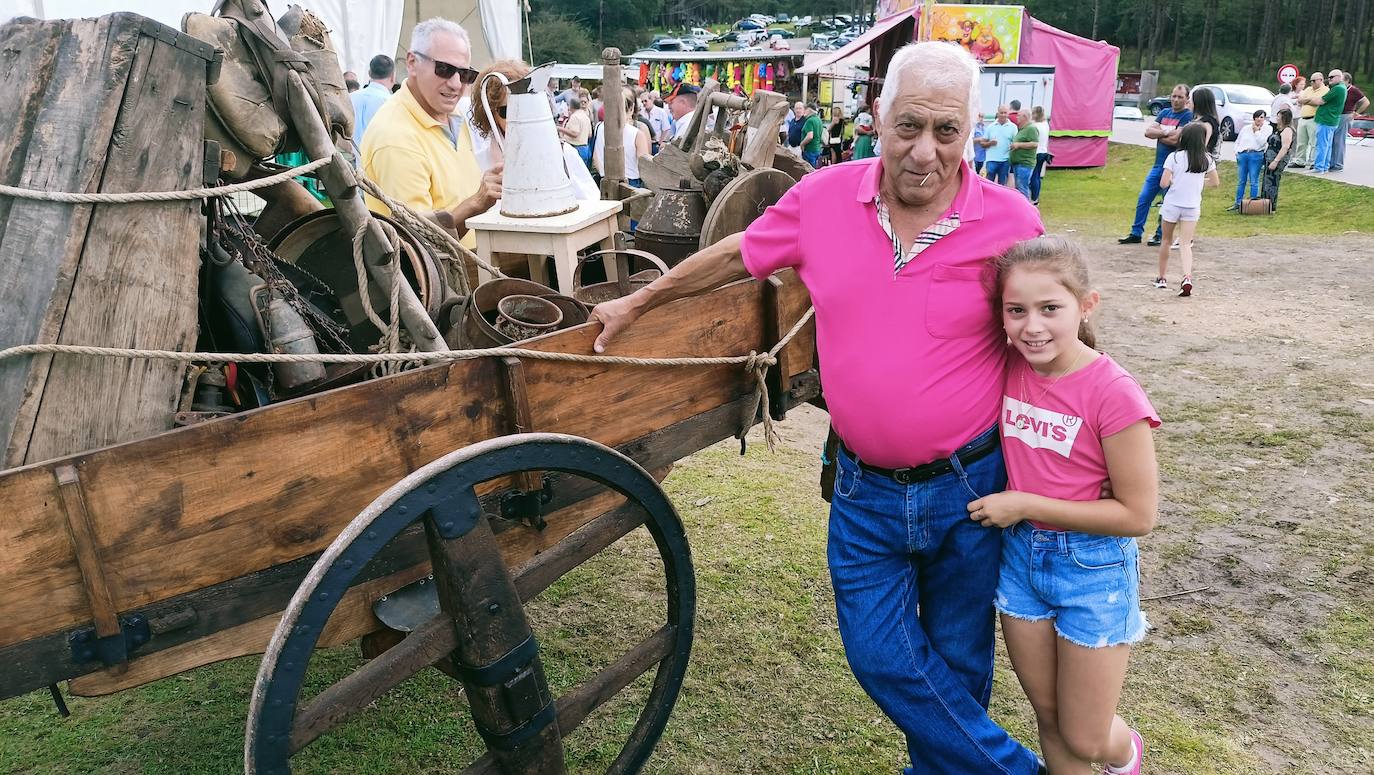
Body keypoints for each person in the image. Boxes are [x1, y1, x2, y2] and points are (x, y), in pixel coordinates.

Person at [589, 41, 1049, 775]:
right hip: (865, 490)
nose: (925, 151)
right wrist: (640, 301)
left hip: (970, 489)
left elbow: (1057, 336)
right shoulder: (824, 198)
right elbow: (738, 252)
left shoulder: (1012, 222)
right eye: (908, 126)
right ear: (878, 118)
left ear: (971, 131)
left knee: (959, 662)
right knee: (879, 654)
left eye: (947, 131)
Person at [974, 235, 1160, 775]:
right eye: (1016, 311)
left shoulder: (1113, 392)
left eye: (1050, 308)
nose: (1032, 326)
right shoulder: (1010, 366)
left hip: (1092, 568)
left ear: (1086, 306)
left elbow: (1138, 515)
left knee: (1085, 734)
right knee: (1051, 717)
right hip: (1021, 561)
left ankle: (1125, 754)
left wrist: (1025, 503)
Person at [360, 18, 500, 249]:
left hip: (477, 258)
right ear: (412, 63)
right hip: (448, 270)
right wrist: (476, 203)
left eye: (464, 74)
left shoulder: (454, 115)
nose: (456, 84)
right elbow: (419, 244)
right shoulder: (395, 138)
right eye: (444, 69)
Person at [467, 59, 598, 202]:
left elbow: (592, 203)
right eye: (507, 110)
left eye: (526, 106)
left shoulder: (562, 153)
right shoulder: (476, 163)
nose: (518, 115)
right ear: (490, 114)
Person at [1118, 83, 1192, 246]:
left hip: (1174, 168)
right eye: (1174, 96)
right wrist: (1166, 132)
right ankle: (1136, 233)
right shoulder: (1164, 112)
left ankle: (1160, 234)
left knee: (1167, 203)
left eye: (1180, 97)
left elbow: (1176, 140)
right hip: (1158, 165)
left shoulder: (1187, 116)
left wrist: (1159, 135)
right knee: (1144, 198)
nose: (1176, 100)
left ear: (1187, 99)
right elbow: (1148, 132)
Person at [1155, 123, 1218, 296]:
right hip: (1192, 206)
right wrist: (1198, 182)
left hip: (1172, 205)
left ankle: (1162, 278)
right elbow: (1215, 182)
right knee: (1185, 243)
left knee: (1166, 241)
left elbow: (1163, 183)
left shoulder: (1174, 157)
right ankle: (1187, 277)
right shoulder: (1206, 159)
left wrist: (1174, 181)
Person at [593, 86, 651, 187]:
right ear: (631, 108)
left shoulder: (599, 127)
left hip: (605, 181)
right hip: (631, 184)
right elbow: (644, 167)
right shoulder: (637, 134)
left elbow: (595, 157)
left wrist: (604, 172)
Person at [349, 54, 396, 149]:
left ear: (369, 73)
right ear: (392, 77)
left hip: (346, 156)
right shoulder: (393, 104)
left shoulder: (350, 97)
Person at [1227, 110, 1271, 211]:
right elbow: (1238, 141)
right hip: (1243, 154)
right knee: (1241, 180)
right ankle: (1238, 203)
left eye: (1261, 117)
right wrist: (1237, 152)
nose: (1259, 119)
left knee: (1253, 180)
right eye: (1257, 117)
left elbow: (1262, 142)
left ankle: (1252, 204)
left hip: (1256, 155)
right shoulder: (1246, 128)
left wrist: (1257, 131)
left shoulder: (1267, 129)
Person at [1309, 69, 1348, 174]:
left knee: (1321, 145)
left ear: (1339, 77)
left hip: (1326, 120)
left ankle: (1319, 167)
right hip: (1331, 120)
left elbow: (1321, 101)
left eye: (1332, 77)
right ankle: (1325, 166)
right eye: (1329, 77)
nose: (1329, 79)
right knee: (1327, 145)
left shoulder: (1338, 88)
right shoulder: (1341, 88)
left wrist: (1307, 99)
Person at [1332, 73, 1369, 172]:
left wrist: (1356, 113)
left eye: (1341, 79)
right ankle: (1332, 162)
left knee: (1339, 140)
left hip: (1346, 115)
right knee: (1333, 139)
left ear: (1347, 80)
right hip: (1336, 115)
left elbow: (1366, 102)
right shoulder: (1338, 89)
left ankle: (1338, 164)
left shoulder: (1353, 90)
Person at [1262, 108, 1296, 212]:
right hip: (1270, 158)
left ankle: (1271, 206)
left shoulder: (1287, 130)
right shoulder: (1279, 129)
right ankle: (1264, 204)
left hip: (1277, 160)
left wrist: (1276, 161)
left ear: (1284, 118)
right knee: (1267, 181)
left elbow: (1285, 147)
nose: (1276, 118)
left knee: (1272, 182)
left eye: (1278, 116)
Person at [1291, 71, 1327, 168]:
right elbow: (1300, 100)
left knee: (1314, 142)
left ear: (1321, 80)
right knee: (1301, 142)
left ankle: (1312, 161)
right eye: (1311, 81)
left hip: (1314, 118)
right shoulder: (1308, 89)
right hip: (1303, 118)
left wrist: (1307, 100)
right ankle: (1300, 161)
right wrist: (1310, 99)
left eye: (1314, 81)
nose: (1312, 83)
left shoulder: (1325, 90)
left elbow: (1318, 102)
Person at [980, 104, 1017, 184]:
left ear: (1008, 113)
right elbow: (982, 143)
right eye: (1001, 113)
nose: (1003, 115)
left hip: (1005, 160)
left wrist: (1013, 147)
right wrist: (990, 143)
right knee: (989, 183)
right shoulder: (991, 127)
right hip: (991, 159)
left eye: (1005, 113)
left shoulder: (1013, 127)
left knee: (1002, 184)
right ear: (998, 113)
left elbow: (1015, 143)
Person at [1009, 112, 1039, 200]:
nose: (1017, 117)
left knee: (1022, 187)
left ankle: (1026, 206)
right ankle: (1021, 205)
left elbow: (1035, 144)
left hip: (1024, 164)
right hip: (1018, 163)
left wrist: (1018, 145)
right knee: (1019, 187)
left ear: (1025, 117)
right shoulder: (1022, 129)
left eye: (1019, 116)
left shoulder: (1031, 128)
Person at [559, 94, 594, 167]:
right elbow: (590, 134)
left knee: (574, 170)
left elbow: (575, 133)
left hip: (576, 148)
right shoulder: (585, 116)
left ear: (570, 106)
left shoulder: (575, 117)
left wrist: (560, 128)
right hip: (585, 148)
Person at [1028, 106, 1051, 205]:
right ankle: (1036, 197)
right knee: (1037, 176)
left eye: (1033, 113)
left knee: (1033, 176)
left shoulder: (1035, 126)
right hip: (1043, 152)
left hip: (1036, 152)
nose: (1032, 115)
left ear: (1036, 114)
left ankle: (1033, 198)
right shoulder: (1045, 124)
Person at [800, 102, 825, 168]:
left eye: (805, 109)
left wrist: (802, 144)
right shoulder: (818, 120)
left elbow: (810, 136)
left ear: (809, 110)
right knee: (815, 169)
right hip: (817, 149)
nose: (804, 111)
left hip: (809, 150)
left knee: (809, 170)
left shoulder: (809, 121)